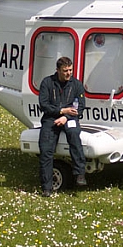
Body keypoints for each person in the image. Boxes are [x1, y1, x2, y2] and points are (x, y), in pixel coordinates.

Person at [38, 56, 87, 196]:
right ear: (57, 70)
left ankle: (80, 174)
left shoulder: (76, 84)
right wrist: (60, 111)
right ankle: (47, 187)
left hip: (70, 118)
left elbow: (81, 107)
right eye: (65, 70)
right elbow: (44, 105)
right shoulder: (47, 83)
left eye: (70, 70)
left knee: (74, 135)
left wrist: (66, 116)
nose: (68, 73)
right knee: (46, 150)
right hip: (51, 119)